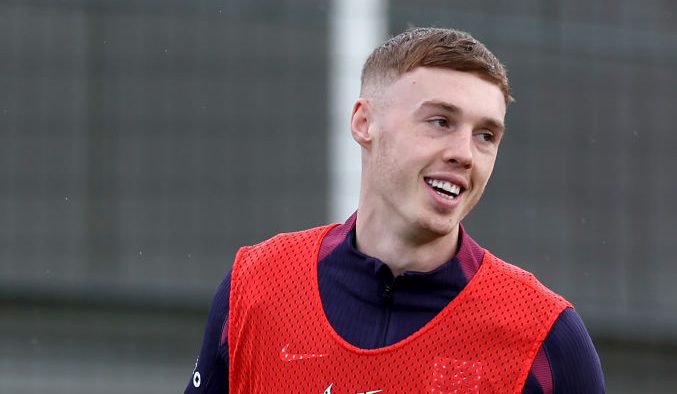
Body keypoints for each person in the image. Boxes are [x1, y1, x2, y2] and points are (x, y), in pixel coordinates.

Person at [185, 27, 605, 393]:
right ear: (364, 123)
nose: (464, 154)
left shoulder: (545, 336)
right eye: (440, 121)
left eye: (485, 135)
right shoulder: (257, 285)